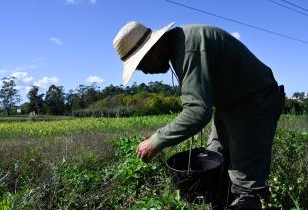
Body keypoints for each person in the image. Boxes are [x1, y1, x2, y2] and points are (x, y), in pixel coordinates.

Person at [113, 21, 285, 210]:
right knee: (214, 160)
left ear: (152, 52)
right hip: (230, 106)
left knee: (246, 186)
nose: (145, 72)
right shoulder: (181, 44)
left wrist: (155, 141)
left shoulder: (189, 50)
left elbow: (197, 112)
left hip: (254, 104)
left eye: (141, 65)